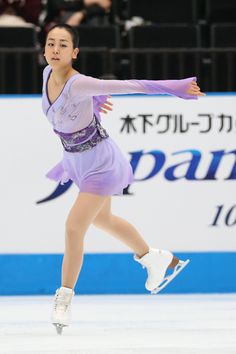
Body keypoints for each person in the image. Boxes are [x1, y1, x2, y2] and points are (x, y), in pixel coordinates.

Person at [42, 23, 205, 335]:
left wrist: (176, 88)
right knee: (103, 220)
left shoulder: (79, 83)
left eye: (63, 45)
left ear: (74, 52)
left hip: (100, 162)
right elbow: (64, 115)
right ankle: (155, 258)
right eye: (51, 43)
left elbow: (134, 85)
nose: (55, 50)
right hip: (75, 160)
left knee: (74, 226)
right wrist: (90, 107)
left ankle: (64, 297)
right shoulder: (47, 75)